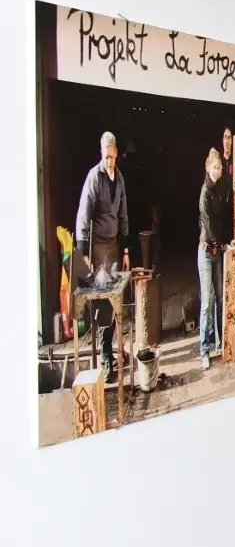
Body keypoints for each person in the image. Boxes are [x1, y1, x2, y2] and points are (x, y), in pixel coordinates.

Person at [73, 130, 130, 383]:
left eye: (112, 156)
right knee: (102, 303)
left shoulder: (120, 179)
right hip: (96, 246)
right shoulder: (93, 178)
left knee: (115, 299)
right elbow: (83, 215)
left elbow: (124, 214)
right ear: (101, 153)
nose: (109, 161)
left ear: (116, 153)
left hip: (114, 245)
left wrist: (126, 249)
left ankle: (112, 348)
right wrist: (83, 251)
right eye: (106, 157)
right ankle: (106, 359)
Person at [198, 148, 231, 369]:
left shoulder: (220, 191)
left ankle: (220, 343)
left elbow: (223, 221)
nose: (217, 171)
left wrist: (228, 240)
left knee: (220, 298)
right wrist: (223, 244)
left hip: (218, 251)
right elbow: (209, 226)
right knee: (207, 303)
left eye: (219, 167)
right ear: (208, 168)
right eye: (214, 167)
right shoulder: (205, 193)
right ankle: (204, 350)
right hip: (206, 251)